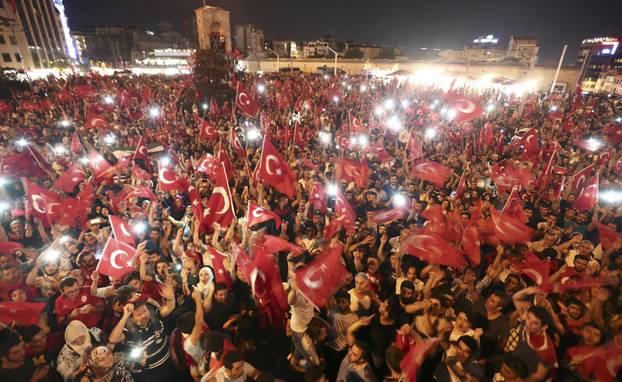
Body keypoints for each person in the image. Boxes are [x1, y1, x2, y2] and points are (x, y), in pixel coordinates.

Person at [108, 279, 176, 382]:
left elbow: (168, 308)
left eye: (145, 311)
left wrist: (170, 298)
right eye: (139, 315)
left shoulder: (154, 314)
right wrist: (125, 315)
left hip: (168, 362)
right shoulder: (127, 328)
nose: (144, 316)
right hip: (151, 373)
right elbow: (113, 339)